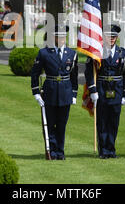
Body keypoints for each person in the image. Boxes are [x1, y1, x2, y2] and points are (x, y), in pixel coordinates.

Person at [30, 25, 78, 160]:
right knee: (50, 124)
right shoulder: (44, 53)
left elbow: (74, 76)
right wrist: (36, 93)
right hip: (50, 91)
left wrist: (74, 94)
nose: (61, 39)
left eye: (63, 36)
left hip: (65, 91)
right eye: (59, 36)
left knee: (62, 124)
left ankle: (60, 152)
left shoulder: (72, 54)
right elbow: (35, 73)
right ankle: (51, 151)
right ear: (54, 37)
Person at [84, 25, 125, 159]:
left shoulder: (123, 53)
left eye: (114, 36)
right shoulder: (96, 53)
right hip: (102, 88)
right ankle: (103, 149)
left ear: (117, 38)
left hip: (117, 89)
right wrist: (92, 90)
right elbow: (89, 72)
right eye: (109, 36)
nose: (111, 39)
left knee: (114, 121)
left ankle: (111, 148)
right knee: (103, 121)